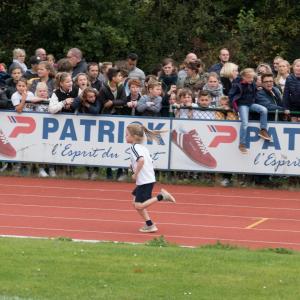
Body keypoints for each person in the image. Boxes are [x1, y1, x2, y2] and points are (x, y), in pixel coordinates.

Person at [126, 123, 176, 233]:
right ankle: (150, 225)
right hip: (147, 179)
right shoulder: (143, 148)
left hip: (144, 180)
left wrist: (135, 174)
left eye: (127, 135)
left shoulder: (134, 148)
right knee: (135, 202)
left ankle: (161, 197)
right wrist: (133, 167)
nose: (125, 137)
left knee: (138, 205)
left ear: (134, 137)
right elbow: (148, 162)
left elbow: (142, 161)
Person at [229, 68, 272, 154]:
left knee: (264, 110)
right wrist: (234, 106)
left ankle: (263, 130)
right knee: (245, 123)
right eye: (249, 77)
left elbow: (254, 92)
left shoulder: (252, 83)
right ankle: (242, 144)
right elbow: (231, 95)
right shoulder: (237, 84)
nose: (251, 79)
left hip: (250, 104)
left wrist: (257, 89)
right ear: (243, 77)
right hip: (242, 105)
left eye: (252, 78)